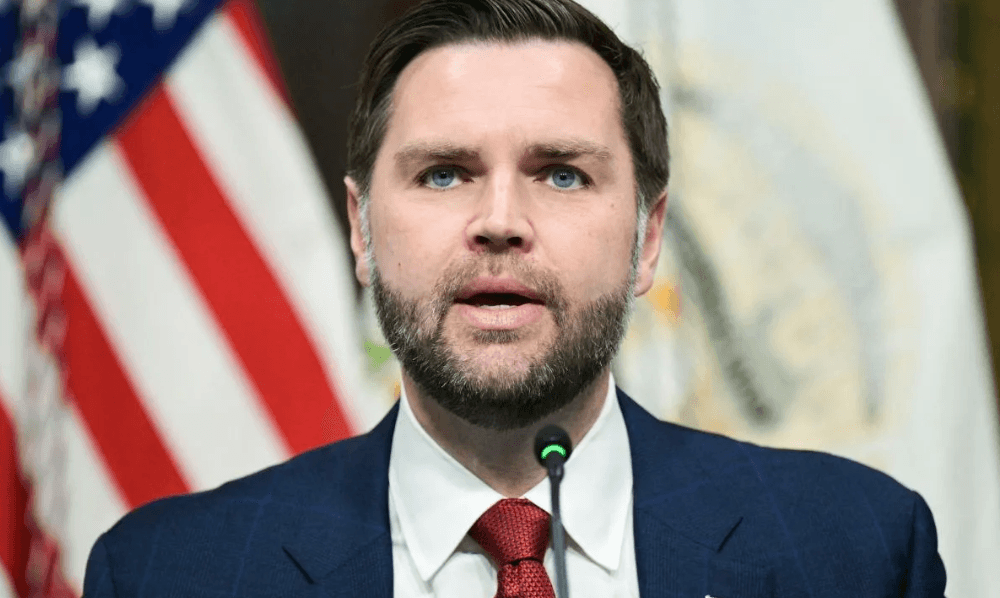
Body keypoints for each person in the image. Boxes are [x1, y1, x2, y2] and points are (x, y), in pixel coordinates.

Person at [82, 0, 947, 596]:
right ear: (361, 231)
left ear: (646, 237)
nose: (500, 222)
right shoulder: (171, 574)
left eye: (562, 174)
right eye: (443, 173)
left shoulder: (855, 552)